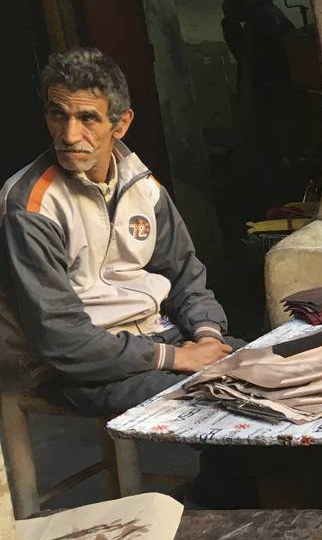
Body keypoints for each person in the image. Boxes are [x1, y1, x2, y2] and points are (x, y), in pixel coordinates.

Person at [0, 48, 242, 417]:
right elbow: (60, 338)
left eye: (87, 118)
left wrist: (207, 336)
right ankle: (227, 475)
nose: (69, 134)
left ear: (121, 124)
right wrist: (176, 357)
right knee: (225, 398)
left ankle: (226, 476)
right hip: (76, 368)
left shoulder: (141, 184)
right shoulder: (30, 205)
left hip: (157, 336)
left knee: (279, 369)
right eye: (57, 115)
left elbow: (184, 275)